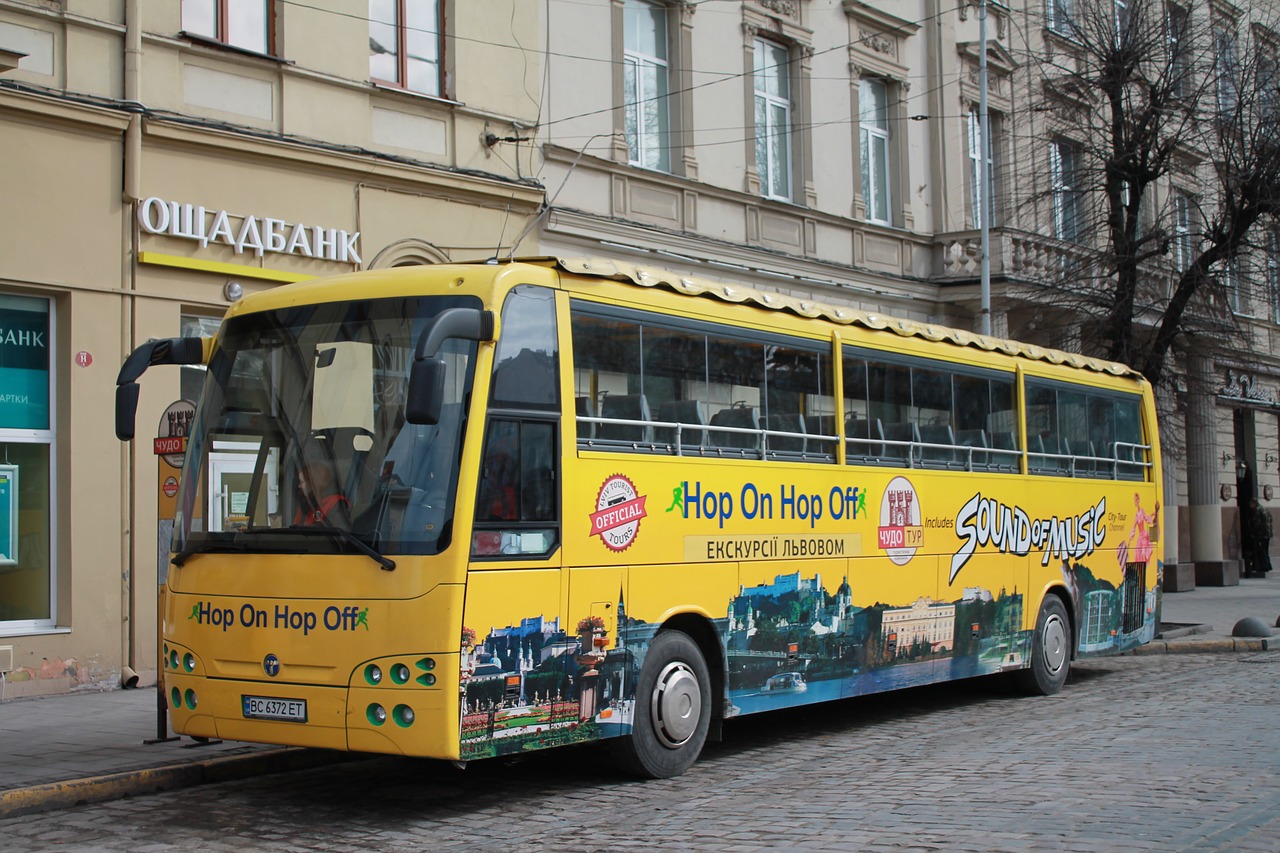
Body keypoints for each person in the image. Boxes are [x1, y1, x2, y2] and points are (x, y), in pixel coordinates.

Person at [293, 462, 348, 526]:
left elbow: (335, 531)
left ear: (313, 483)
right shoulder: (304, 507)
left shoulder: (336, 503)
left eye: (302, 482)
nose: (299, 486)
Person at [1246, 498, 1273, 577]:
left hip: (1261, 534)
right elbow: (1271, 520)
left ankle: (1264, 566)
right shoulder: (1265, 509)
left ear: (1254, 503)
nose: (1250, 506)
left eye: (1251, 504)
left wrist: (1253, 532)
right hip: (1268, 534)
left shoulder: (1257, 510)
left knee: (1262, 550)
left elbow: (1256, 523)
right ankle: (1268, 565)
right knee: (1265, 550)